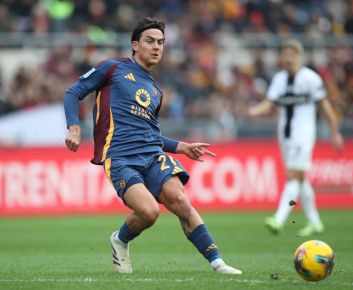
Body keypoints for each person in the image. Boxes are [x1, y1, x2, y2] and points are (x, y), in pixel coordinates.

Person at [63, 17, 241, 275]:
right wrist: (74, 127)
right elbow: (73, 92)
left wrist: (181, 147)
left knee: (180, 200)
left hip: (152, 156)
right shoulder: (112, 68)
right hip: (120, 157)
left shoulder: (156, 90)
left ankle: (218, 262)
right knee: (148, 212)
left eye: (161, 42)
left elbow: (149, 134)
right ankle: (120, 240)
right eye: (150, 41)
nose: (156, 46)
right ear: (135, 45)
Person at [248, 39, 343, 237]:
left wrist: (334, 132)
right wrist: (254, 111)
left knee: (293, 176)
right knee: (300, 179)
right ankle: (315, 222)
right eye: (285, 54)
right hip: (285, 135)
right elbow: (269, 104)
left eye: (292, 54)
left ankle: (278, 219)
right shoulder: (280, 79)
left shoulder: (310, 79)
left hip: (303, 134)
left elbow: (325, 106)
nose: (288, 58)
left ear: (298, 56)